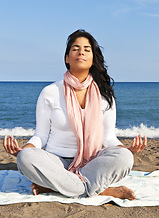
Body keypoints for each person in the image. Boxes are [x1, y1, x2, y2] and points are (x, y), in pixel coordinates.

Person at [3, 29, 147, 200]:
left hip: (92, 162)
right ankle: (100, 190)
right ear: (66, 58)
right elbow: (40, 135)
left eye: (87, 49)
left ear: (93, 59)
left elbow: (108, 138)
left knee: (124, 158)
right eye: (75, 48)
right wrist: (23, 150)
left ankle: (58, 186)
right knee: (25, 158)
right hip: (55, 162)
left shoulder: (104, 95)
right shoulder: (50, 92)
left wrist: (128, 150)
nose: (81, 52)